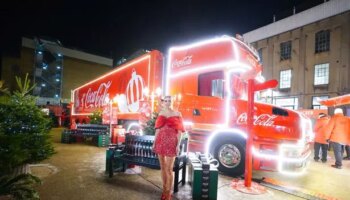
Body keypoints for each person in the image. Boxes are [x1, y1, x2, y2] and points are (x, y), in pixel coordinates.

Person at [152, 96, 185, 200]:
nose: (167, 102)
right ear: (163, 102)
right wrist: (154, 142)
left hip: (171, 142)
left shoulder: (177, 114)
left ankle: (168, 193)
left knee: (169, 169)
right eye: (165, 101)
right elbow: (157, 129)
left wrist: (178, 145)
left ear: (171, 102)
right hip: (160, 141)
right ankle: (164, 189)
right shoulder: (161, 113)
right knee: (162, 167)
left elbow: (179, 131)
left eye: (169, 101)